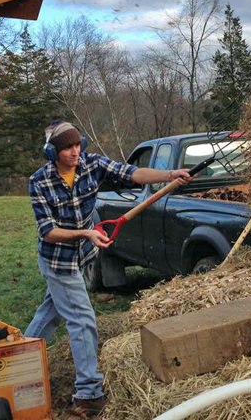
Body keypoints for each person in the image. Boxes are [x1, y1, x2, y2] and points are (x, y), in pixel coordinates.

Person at [24, 121, 191, 417]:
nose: (74, 152)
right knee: (82, 318)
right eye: (66, 148)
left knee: (51, 312)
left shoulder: (92, 164)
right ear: (53, 152)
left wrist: (169, 175)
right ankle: (88, 393)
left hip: (83, 256)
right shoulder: (39, 181)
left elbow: (132, 173)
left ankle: (18, 359)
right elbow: (48, 231)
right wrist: (86, 233)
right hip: (58, 261)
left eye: (77, 145)